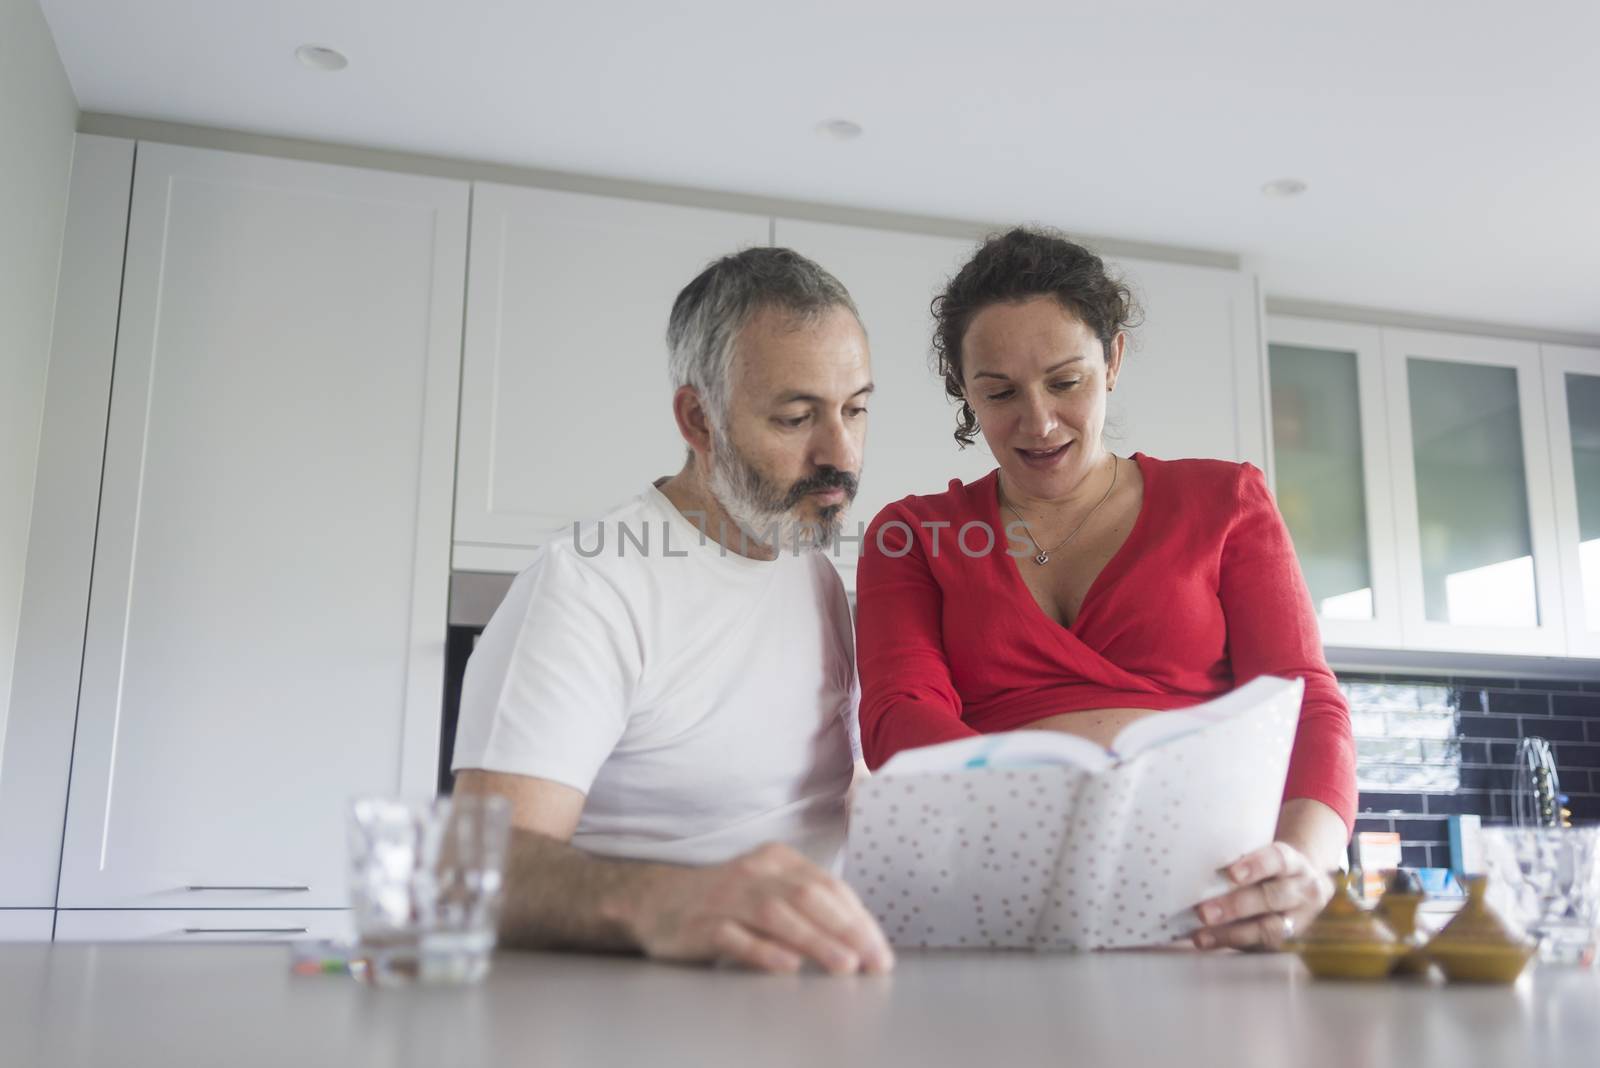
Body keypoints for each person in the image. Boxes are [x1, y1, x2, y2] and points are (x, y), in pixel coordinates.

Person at [855, 227, 1356, 951]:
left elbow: (1306, 700)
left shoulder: (1226, 499)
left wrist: (1304, 867)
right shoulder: (912, 533)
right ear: (964, 390)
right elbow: (900, 721)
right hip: (1001, 899)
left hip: (1214, 907)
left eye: (1066, 381)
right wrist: (1039, 833)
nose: (1039, 422)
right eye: (998, 392)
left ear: (1113, 358)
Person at [452, 247, 893, 975]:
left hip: (809, 1003)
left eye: (856, 409)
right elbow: (476, 870)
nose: (839, 453)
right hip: (636, 1013)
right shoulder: (592, 582)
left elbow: (817, 796)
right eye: (795, 417)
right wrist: (672, 900)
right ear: (699, 418)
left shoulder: (810, 564)